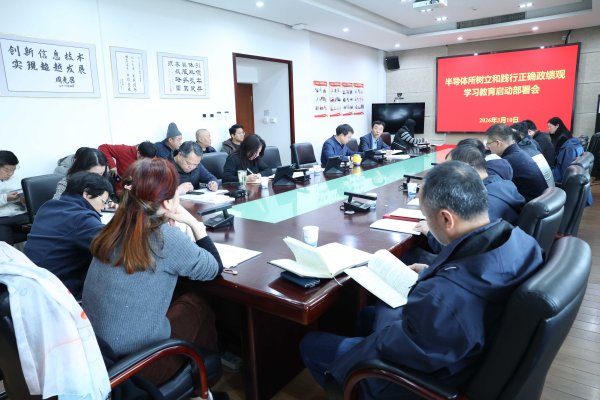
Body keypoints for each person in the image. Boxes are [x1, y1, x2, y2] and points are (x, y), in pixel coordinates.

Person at [299, 161, 544, 400]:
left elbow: (397, 346)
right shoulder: (521, 242)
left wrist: (390, 299)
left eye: (427, 217)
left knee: (312, 343)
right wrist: (431, 272)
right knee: (365, 317)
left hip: (428, 378)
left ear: (446, 219)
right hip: (465, 349)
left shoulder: (444, 295)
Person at [83, 158, 223, 389]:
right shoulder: (164, 237)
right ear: (168, 202)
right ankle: (207, 381)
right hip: (138, 367)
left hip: (97, 357)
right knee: (197, 302)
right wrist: (194, 223)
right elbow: (213, 268)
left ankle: (201, 375)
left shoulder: (112, 227)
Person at [23, 172, 112, 300]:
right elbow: (113, 244)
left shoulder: (48, 205)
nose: (102, 207)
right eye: (103, 201)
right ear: (86, 194)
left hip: (31, 282)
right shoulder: (82, 218)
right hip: (58, 291)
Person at [486, 123, 548, 202]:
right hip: (539, 202)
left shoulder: (507, 161)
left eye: (488, 144)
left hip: (529, 206)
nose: (488, 147)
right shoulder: (519, 153)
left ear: (498, 143)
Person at [511, 124, 555, 188]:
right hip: (548, 191)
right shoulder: (531, 143)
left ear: (519, 135)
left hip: (542, 192)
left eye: (511, 136)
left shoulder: (522, 151)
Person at [0, 151, 28, 245]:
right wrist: (6, 198)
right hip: (1, 218)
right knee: (5, 244)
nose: (11, 173)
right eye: (8, 170)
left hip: (19, 214)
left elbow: (23, 202)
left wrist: (24, 201)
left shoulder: (17, 178)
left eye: (14, 169)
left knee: (44, 228)